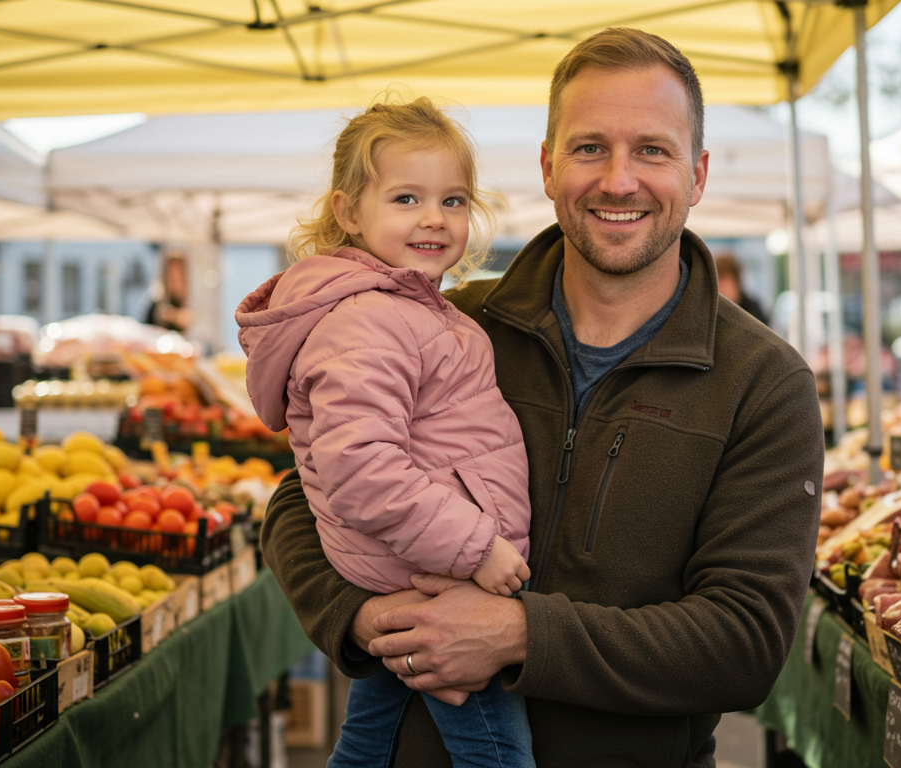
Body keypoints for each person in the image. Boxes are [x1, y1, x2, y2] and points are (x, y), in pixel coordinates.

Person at [258, 28, 824, 766]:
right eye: (590, 148)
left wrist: (519, 634)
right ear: (549, 168)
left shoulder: (764, 383)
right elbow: (303, 495)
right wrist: (362, 617)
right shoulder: (452, 326)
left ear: (697, 174)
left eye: (652, 150)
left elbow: (744, 642)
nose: (618, 180)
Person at [236, 99, 535, 767]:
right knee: (496, 753)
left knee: (369, 742)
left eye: (453, 200)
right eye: (406, 198)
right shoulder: (368, 320)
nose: (434, 217)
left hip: (409, 565)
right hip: (432, 577)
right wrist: (477, 549)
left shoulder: (408, 309)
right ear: (348, 212)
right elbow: (362, 471)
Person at [145, 247, 193, 333]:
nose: (175, 279)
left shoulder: (191, 299)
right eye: (172, 275)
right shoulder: (156, 299)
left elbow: (188, 319)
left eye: (178, 274)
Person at [713, 253, 770, 326]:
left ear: (733, 280)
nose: (718, 286)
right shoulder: (713, 310)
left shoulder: (753, 310)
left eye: (721, 279)